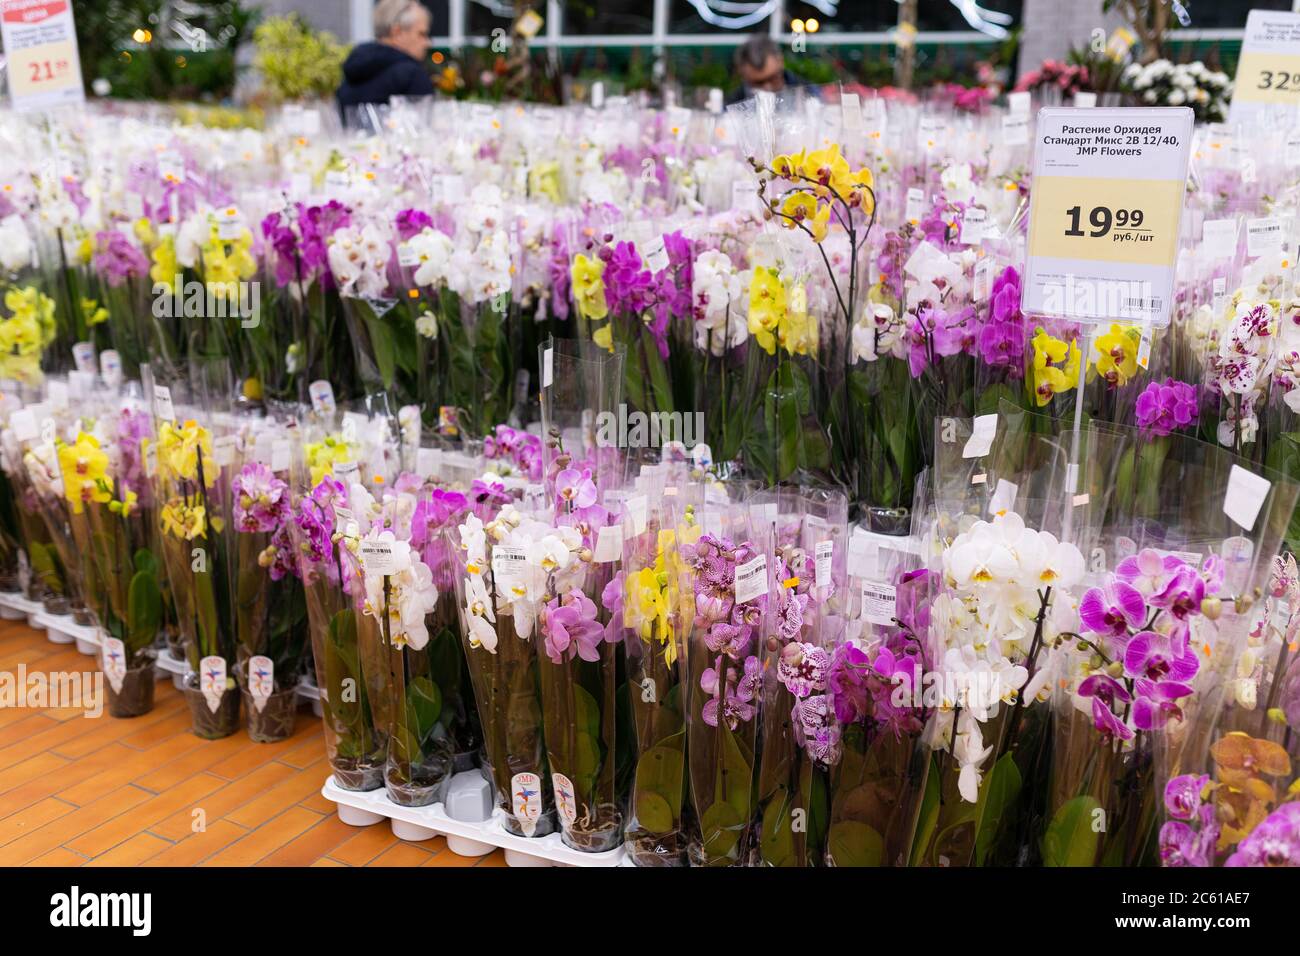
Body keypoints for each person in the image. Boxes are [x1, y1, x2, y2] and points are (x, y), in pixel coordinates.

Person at [336, 0, 435, 113]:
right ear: (397, 33)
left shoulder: (354, 69)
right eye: (422, 34)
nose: (428, 43)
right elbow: (422, 125)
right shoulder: (412, 74)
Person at [728, 34, 815, 104]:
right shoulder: (733, 103)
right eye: (758, 83)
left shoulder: (807, 91)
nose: (767, 87)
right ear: (742, 74)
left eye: (773, 78)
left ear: (781, 61)